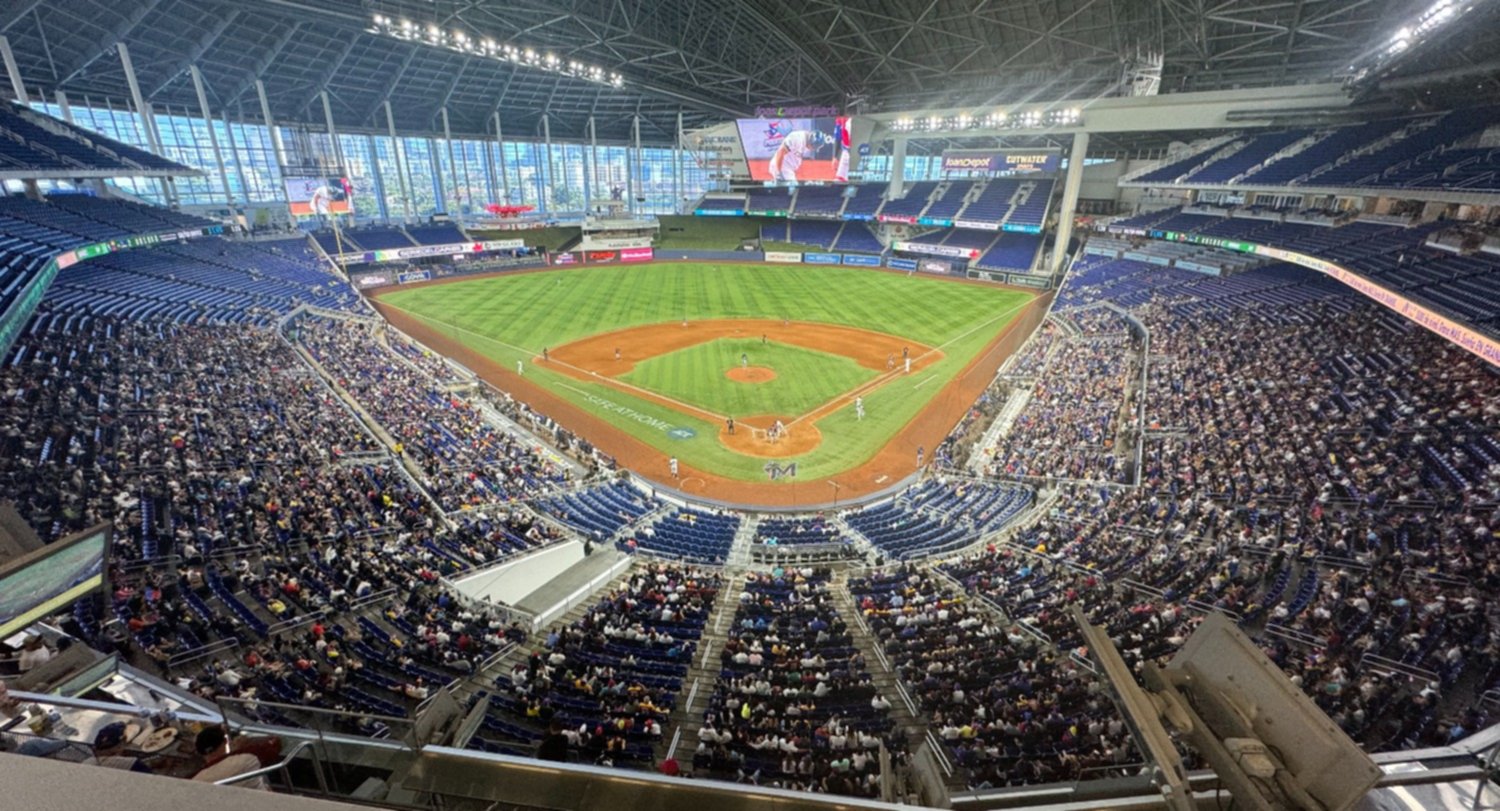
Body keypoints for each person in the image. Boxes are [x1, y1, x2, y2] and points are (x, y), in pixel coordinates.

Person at [766, 128, 834, 182]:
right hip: (782, 167)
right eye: (813, 146)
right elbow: (780, 152)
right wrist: (779, 172)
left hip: (788, 169)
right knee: (792, 190)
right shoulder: (796, 138)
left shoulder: (808, 141)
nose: (813, 149)